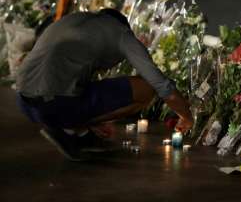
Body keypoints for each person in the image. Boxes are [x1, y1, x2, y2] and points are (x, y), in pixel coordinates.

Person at [16, 8, 194, 161]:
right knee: (146, 90)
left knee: (75, 92)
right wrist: (186, 116)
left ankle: (77, 130)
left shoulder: (73, 20)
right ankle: (69, 129)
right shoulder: (121, 34)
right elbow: (160, 85)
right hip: (54, 106)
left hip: (24, 102)